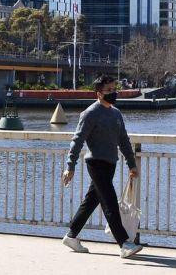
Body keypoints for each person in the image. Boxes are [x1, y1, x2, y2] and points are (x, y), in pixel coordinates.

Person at [61, 75, 143, 259]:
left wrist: (131, 164)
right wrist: (70, 166)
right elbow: (77, 140)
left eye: (114, 89)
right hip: (96, 163)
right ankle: (124, 243)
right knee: (110, 203)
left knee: (91, 201)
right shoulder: (90, 113)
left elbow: (124, 141)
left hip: (110, 164)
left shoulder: (116, 114)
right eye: (109, 90)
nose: (113, 93)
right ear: (99, 94)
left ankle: (71, 235)